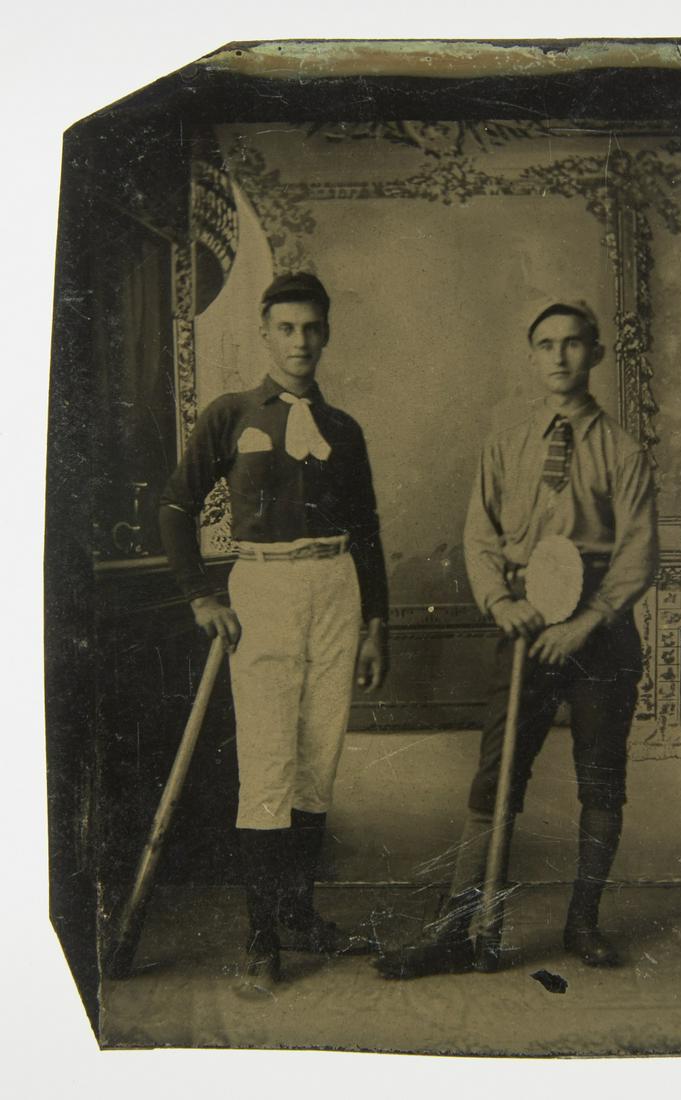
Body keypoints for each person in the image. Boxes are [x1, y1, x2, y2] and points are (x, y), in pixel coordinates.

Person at [376, 298, 658, 980]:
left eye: (572, 343)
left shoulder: (621, 450)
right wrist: (503, 602)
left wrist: (586, 623)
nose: (559, 356)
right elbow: (479, 537)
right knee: (496, 775)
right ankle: (465, 926)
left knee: (602, 780)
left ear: (593, 353)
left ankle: (583, 920)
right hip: (526, 626)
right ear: (532, 356)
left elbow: (637, 552)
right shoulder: (505, 444)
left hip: (600, 628)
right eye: (545, 344)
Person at [159, 272, 389, 995]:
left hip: (336, 588)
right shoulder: (230, 415)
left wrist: (377, 626)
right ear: (265, 333)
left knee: (318, 758)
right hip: (261, 589)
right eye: (286, 328)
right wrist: (200, 595)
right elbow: (174, 506)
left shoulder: (345, 429)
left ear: (326, 333)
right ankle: (261, 939)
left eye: (311, 328)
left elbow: (371, 533)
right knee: (266, 766)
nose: (299, 342)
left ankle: (300, 913)